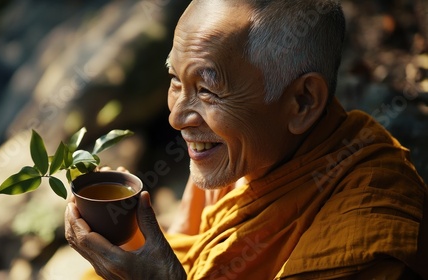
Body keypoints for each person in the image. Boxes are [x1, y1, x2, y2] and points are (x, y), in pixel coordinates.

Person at [65, 0, 428, 279]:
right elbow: (192, 253)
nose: (176, 118)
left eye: (207, 90)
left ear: (302, 101)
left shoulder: (368, 237)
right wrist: (122, 239)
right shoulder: (242, 155)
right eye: (177, 81)